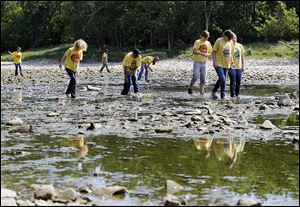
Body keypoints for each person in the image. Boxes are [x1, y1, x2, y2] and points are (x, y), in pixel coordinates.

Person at [188, 30, 213, 96]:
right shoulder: (197, 42)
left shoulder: (208, 43)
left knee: (203, 78)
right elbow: (194, 52)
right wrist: (200, 53)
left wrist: (207, 54)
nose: (205, 39)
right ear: (201, 36)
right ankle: (190, 87)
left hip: (204, 62)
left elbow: (210, 52)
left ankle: (202, 92)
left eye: (207, 38)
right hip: (197, 62)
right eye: (204, 37)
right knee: (195, 77)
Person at [211, 30, 234, 99]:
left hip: (227, 64)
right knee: (222, 78)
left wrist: (232, 62)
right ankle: (214, 92)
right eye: (228, 37)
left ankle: (222, 96)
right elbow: (214, 52)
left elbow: (230, 54)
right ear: (225, 35)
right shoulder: (219, 40)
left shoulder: (230, 42)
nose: (229, 39)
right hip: (218, 63)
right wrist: (214, 61)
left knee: (224, 80)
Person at [228, 33, 245, 99]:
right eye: (233, 38)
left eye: (235, 37)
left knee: (239, 81)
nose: (234, 39)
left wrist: (243, 65)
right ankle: (232, 95)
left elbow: (242, 56)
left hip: (239, 66)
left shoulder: (240, 45)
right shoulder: (229, 45)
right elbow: (228, 55)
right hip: (231, 66)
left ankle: (237, 94)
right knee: (233, 81)